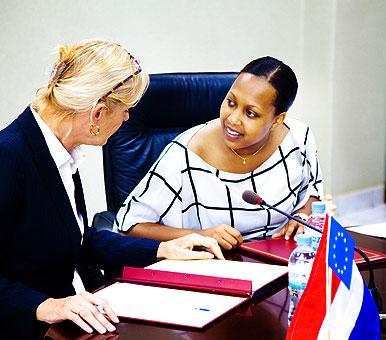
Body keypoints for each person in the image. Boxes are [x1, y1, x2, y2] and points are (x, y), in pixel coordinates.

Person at [0, 39, 224, 340]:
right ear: (98, 114)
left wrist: (163, 249)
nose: (127, 118)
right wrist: (45, 305)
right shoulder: (8, 156)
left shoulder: (57, 149)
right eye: (126, 110)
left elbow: (77, 238)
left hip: (72, 321)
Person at [115, 56, 323, 250]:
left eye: (250, 113)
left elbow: (312, 193)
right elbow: (128, 227)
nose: (232, 119)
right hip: (214, 268)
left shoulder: (298, 137)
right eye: (231, 102)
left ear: (277, 120)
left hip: (280, 260)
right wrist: (201, 235)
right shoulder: (185, 154)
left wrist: (303, 216)